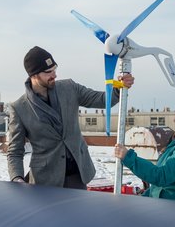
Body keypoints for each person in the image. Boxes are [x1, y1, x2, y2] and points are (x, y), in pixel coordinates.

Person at [7, 46, 134, 189]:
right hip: (45, 181)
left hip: (79, 175)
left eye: (55, 69)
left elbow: (102, 99)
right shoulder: (18, 108)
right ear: (34, 75)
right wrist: (17, 178)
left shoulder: (69, 87)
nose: (54, 75)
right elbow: (15, 151)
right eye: (48, 72)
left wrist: (118, 88)